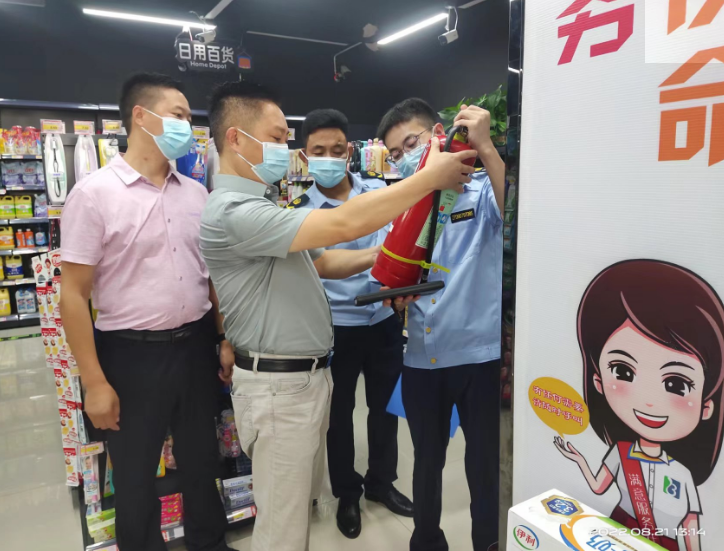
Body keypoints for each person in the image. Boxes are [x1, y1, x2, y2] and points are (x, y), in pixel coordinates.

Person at [200, 81, 476, 551]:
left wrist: (389, 257)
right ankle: (349, 494)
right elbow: (345, 223)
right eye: (276, 138)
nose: (283, 150)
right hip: (278, 388)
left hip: (303, 378)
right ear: (235, 139)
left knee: (291, 519)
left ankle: (379, 483)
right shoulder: (232, 212)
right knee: (282, 532)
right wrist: (430, 177)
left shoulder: (260, 205)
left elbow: (324, 261)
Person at [61, 73, 233, 551]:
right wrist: (94, 382)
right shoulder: (94, 194)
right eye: (178, 115)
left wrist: (223, 337)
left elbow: (211, 277)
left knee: (201, 460)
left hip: (196, 345)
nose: (188, 126)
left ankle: (209, 543)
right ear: (141, 116)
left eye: (189, 118)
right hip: (130, 355)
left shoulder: (196, 194)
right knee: (135, 473)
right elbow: (73, 295)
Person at [377, 98, 506, 551]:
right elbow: (389, 271)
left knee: (484, 467)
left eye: (411, 143)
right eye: (395, 153)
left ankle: (488, 543)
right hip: (421, 358)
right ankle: (427, 541)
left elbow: (516, 214)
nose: (404, 157)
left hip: (477, 356)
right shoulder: (399, 203)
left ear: (437, 134)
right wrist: (394, 297)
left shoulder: (481, 190)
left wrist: (486, 147)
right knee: (426, 463)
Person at [293, 109, 414, 539]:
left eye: (337, 149)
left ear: (350, 152)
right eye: (319, 151)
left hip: (383, 320)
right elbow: (321, 266)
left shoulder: (380, 192)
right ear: (305, 156)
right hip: (334, 328)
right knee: (338, 417)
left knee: (385, 409)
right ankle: (347, 492)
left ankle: (382, 482)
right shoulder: (300, 212)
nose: (329, 158)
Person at [555, 259, 724, 551]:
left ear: (706, 407)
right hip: (615, 534)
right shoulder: (620, 453)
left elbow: (689, 528)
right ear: (598, 380)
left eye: (677, 385)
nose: (648, 401)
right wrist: (579, 458)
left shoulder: (682, 475)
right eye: (622, 371)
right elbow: (598, 487)